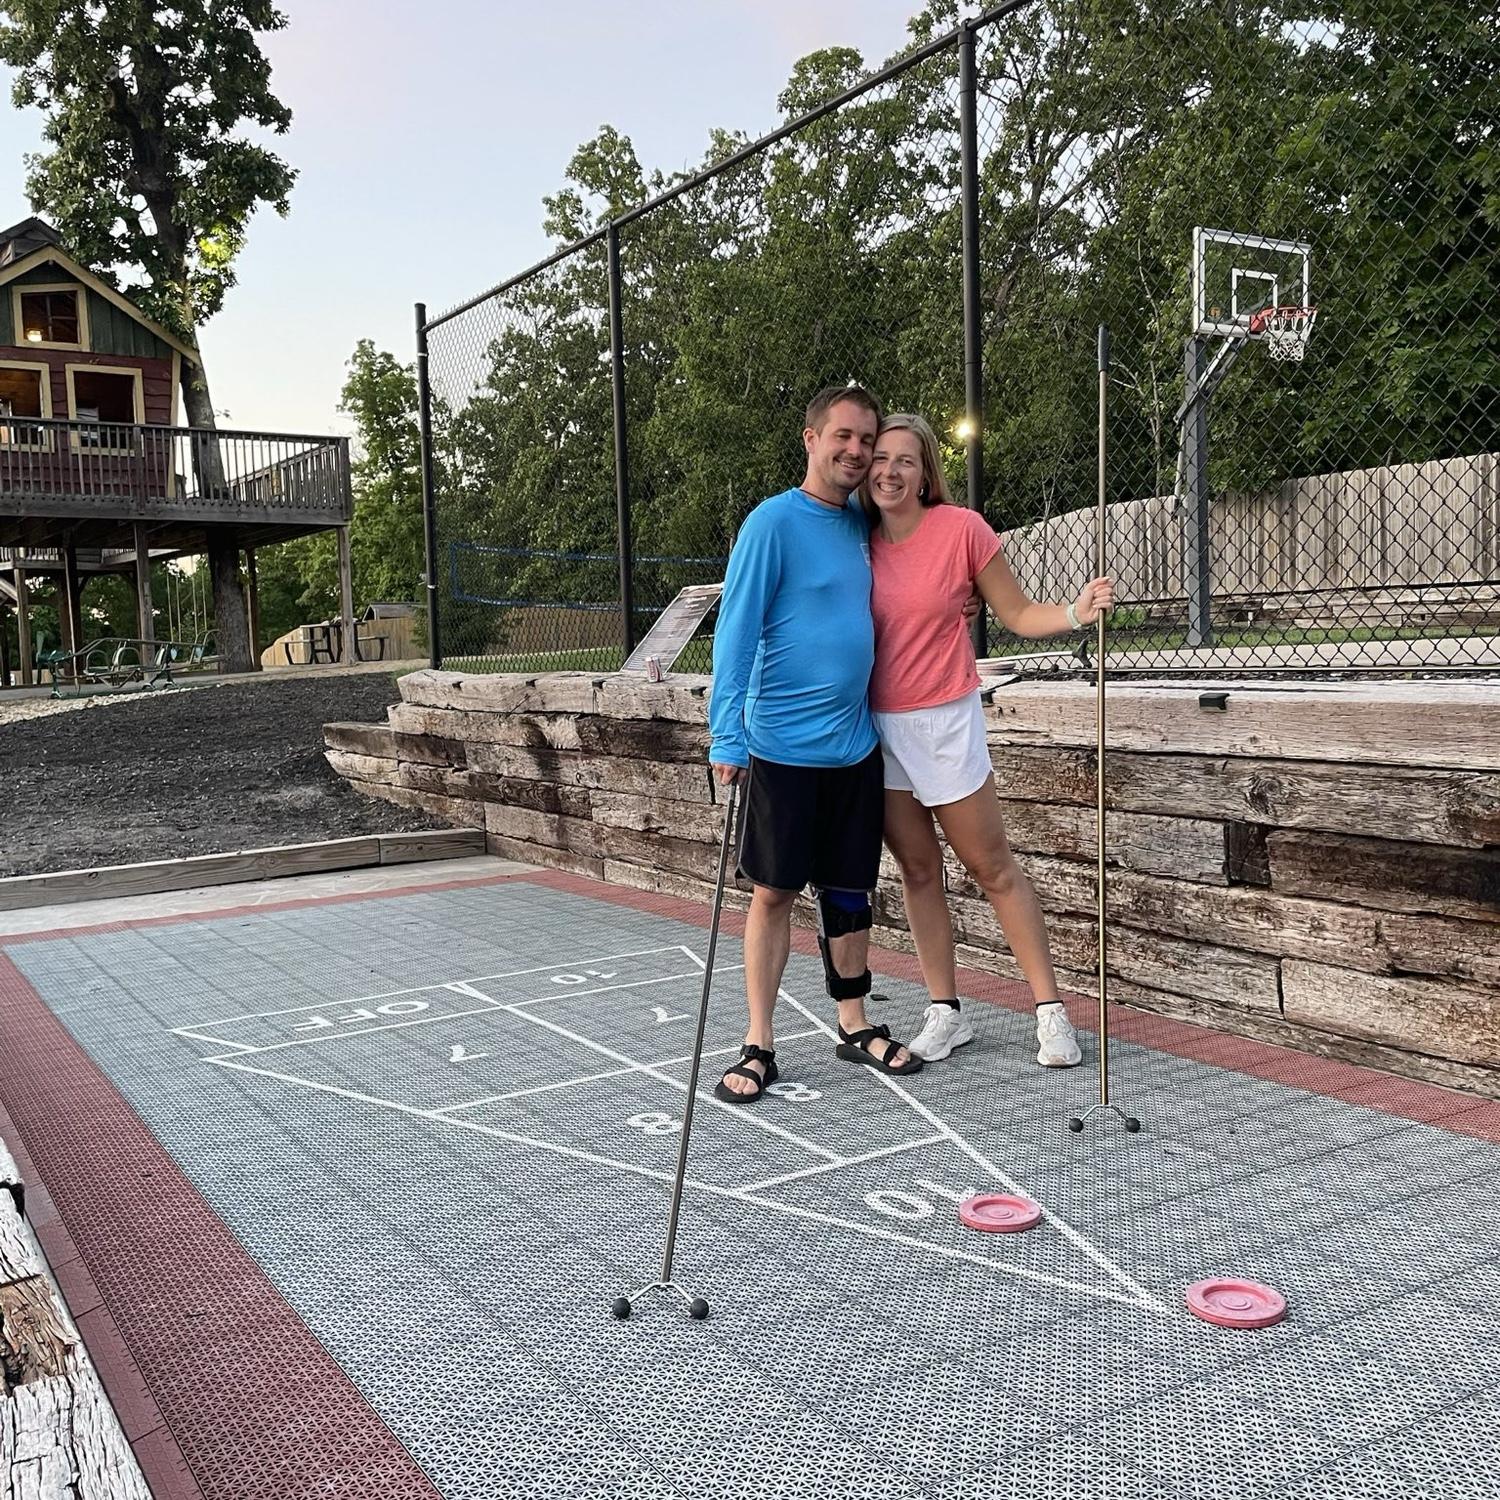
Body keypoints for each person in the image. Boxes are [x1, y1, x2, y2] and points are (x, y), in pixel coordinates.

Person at [862, 413, 1114, 1067]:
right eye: (880, 458)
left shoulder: (961, 529)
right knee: (918, 871)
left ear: (925, 474)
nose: (890, 470)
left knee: (992, 867)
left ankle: (1052, 1015)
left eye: (905, 460)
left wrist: (1073, 613)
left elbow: (1018, 612)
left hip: (945, 721)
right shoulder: (851, 539)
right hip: (876, 726)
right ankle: (945, 1013)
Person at [707, 384, 923, 1102]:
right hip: (782, 752)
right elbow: (735, 632)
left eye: (867, 440)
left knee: (851, 892)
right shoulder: (772, 523)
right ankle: (759, 1040)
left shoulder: (864, 523)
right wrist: (726, 736)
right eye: (846, 437)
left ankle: (854, 1021)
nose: (858, 452)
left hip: (854, 748)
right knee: (773, 894)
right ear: (811, 439)